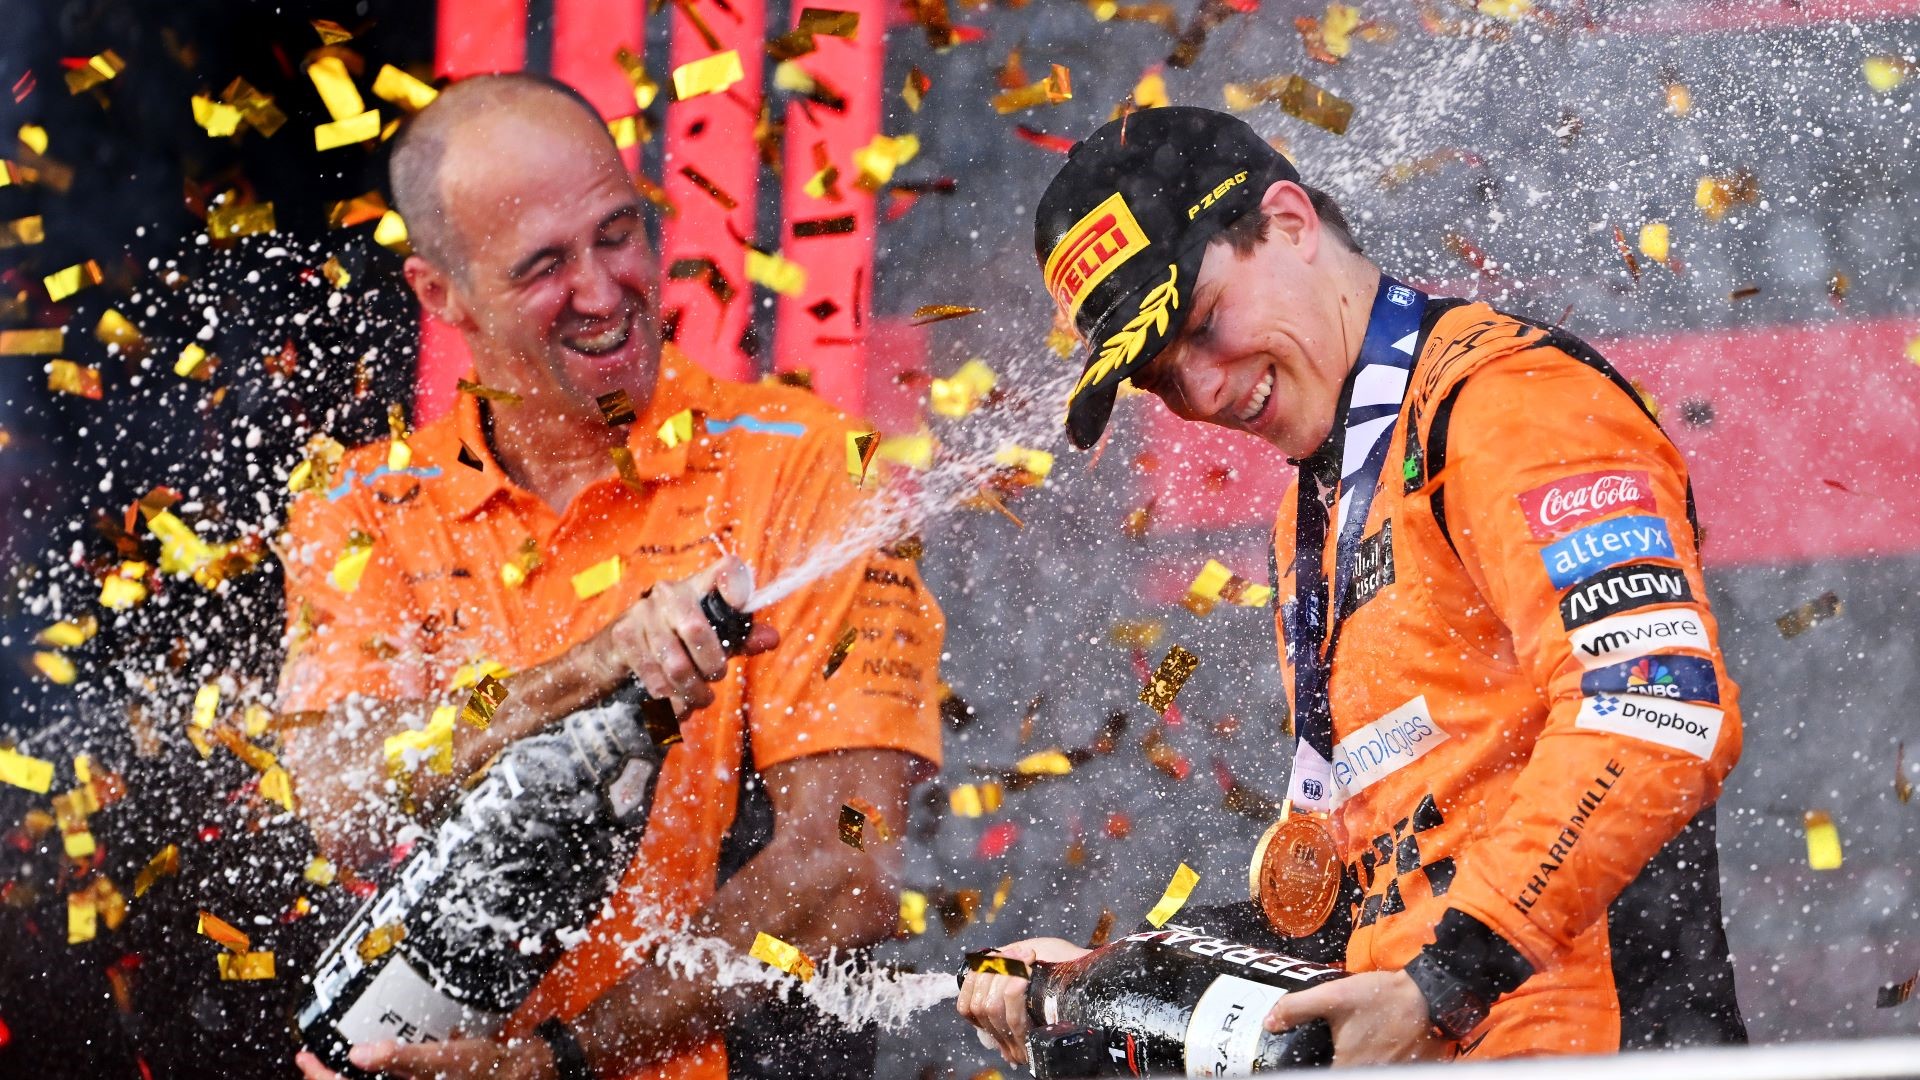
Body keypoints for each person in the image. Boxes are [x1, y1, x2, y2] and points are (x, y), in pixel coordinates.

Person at [958, 106, 1745, 1065]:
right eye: (1160, 378)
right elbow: (1377, 888)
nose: (1202, 393)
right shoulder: (1313, 508)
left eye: (1203, 326)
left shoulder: (1507, 404)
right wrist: (1110, 978)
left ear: (1289, 223)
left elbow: (1659, 712)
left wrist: (1446, 982)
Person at [279, 74, 944, 1080]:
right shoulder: (364, 506)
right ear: (438, 293)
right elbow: (345, 802)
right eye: (544, 265)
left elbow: (847, 867)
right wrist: (595, 665)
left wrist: (559, 1063)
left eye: (618, 233)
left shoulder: (809, 462)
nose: (602, 291)